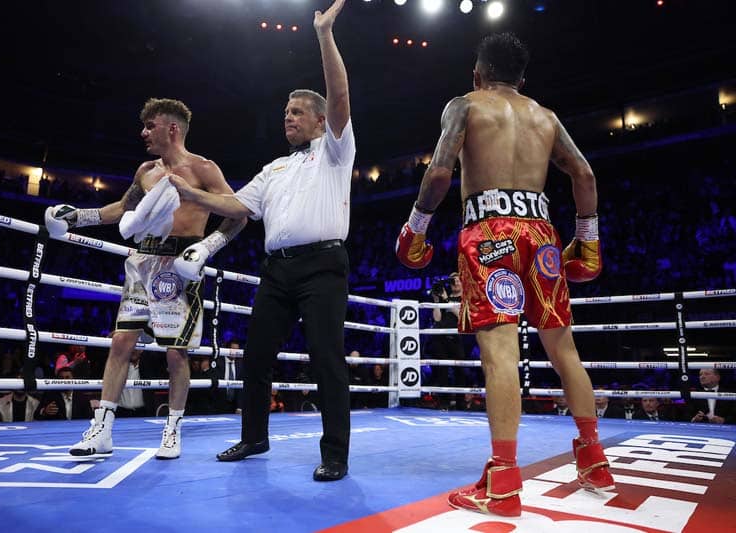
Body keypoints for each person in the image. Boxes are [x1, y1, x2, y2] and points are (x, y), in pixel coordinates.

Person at [395, 33, 613, 516]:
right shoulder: (546, 116)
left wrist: (416, 227)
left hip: (489, 232)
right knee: (564, 348)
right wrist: (589, 239)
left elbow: (438, 174)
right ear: (521, 78)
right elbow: (585, 176)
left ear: (477, 73)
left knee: (499, 355)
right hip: (542, 234)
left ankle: (503, 483)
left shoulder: (465, 104)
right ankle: (595, 460)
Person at [169, 0, 354, 481]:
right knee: (255, 356)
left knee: (326, 358)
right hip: (277, 271)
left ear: (318, 120)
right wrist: (189, 192)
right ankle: (254, 436)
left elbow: (339, 97)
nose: (288, 118)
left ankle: (335, 452)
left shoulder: (335, 151)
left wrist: (324, 34)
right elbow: (237, 207)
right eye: (285, 112)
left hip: (322, 266)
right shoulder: (273, 168)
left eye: (296, 112)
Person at [44, 97, 246, 459]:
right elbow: (122, 210)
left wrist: (208, 247)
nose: (143, 133)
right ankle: (102, 430)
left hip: (180, 263)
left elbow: (238, 213)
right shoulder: (146, 171)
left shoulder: (203, 168)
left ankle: (172, 431)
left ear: (172, 128)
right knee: (121, 343)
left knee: (175, 354)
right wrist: (78, 217)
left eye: (149, 125)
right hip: (144, 260)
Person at [429, 272, 466, 409]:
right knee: (442, 371)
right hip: (441, 338)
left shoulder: (465, 298)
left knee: (459, 372)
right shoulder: (445, 297)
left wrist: (446, 300)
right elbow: (437, 319)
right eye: (452, 281)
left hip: (457, 338)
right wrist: (437, 302)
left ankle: (461, 404)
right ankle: (443, 403)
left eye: (457, 280)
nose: (455, 283)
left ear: (462, 282)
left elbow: (461, 316)